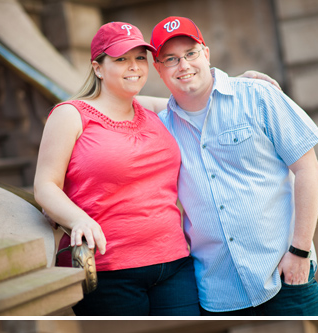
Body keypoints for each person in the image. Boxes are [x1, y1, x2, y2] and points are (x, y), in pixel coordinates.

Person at [149, 16, 318, 316]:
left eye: (191, 54)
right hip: (217, 293)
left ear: (205, 53)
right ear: (159, 69)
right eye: (171, 59)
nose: (184, 65)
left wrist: (299, 251)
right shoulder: (163, 127)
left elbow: (308, 169)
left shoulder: (258, 96)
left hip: (285, 276)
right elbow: (121, 104)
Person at [34, 21, 199, 316]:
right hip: (108, 270)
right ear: (97, 67)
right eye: (121, 59)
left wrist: (244, 81)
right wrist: (78, 219)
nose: (133, 67)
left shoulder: (151, 109)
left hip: (175, 265)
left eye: (139, 58)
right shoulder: (70, 115)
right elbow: (45, 185)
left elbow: (203, 100)